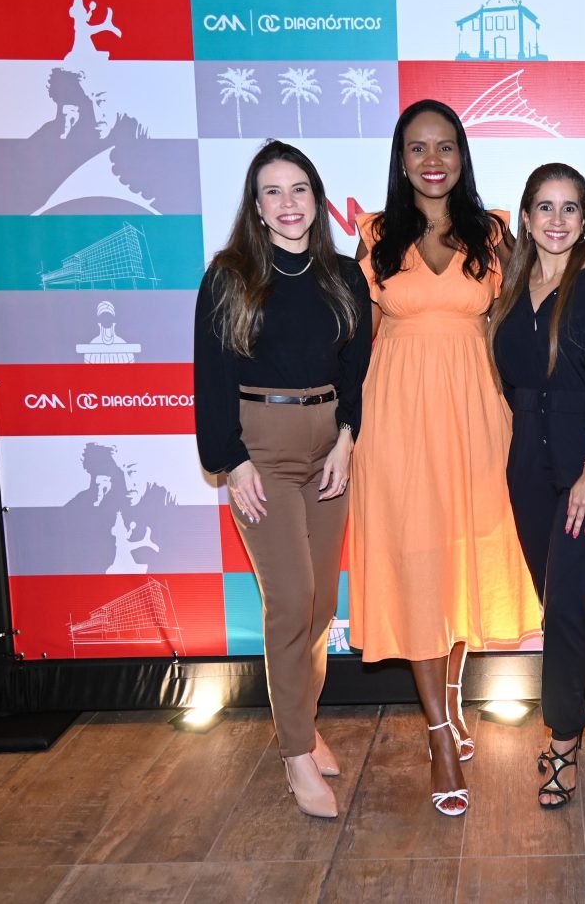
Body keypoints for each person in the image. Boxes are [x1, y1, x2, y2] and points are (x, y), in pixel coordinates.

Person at [348, 99, 541, 817]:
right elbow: (358, 339)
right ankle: (437, 736)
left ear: (462, 156)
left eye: (447, 147)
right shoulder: (374, 235)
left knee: (459, 564)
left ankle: (451, 704)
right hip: (397, 421)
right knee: (420, 564)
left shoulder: (492, 235)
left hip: (475, 416)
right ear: (401, 160)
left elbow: (515, 326)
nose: (433, 160)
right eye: (418, 148)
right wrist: (342, 426)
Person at [193, 140, 371, 819]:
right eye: (274, 191)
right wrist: (230, 461)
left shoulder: (344, 276)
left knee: (323, 603)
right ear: (256, 206)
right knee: (290, 599)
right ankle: (296, 751)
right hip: (259, 448)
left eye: (300, 188)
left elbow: (356, 370)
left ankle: (304, 719)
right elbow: (210, 378)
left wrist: (348, 438)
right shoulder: (229, 276)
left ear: (317, 199)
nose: (289, 203)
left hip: (328, 445)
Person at [490, 164, 585, 810]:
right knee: (552, 598)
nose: (557, 220)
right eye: (545, 207)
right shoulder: (509, 289)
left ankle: (563, 740)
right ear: (526, 217)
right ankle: (567, 718)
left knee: (565, 607)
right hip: (527, 469)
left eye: (571, 208)